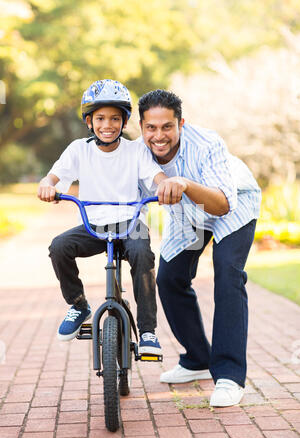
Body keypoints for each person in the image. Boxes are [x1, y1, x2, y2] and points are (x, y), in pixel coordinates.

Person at [37, 80, 182, 355]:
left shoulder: (135, 150)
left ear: (125, 122)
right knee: (59, 246)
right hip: (94, 226)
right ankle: (79, 305)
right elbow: (55, 176)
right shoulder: (78, 149)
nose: (108, 125)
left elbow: (155, 176)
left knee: (142, 253)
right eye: (100, 118)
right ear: (89, 121)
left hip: (130, 224)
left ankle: (148, 331)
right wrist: (47, 184)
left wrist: (165, 185)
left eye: (115, 118)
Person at [137, 89, 261, 407]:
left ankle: (230, 376)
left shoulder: (206, 143)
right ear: (141, 127)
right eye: (151, 127)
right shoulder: (137, 152)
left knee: (228, 275)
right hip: (188, 217)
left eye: (167, 126)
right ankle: (197, 358)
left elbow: (221, 205)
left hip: (231, 208)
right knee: (168, 279)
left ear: (181, 123)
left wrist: (186, 184)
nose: (159, 135)